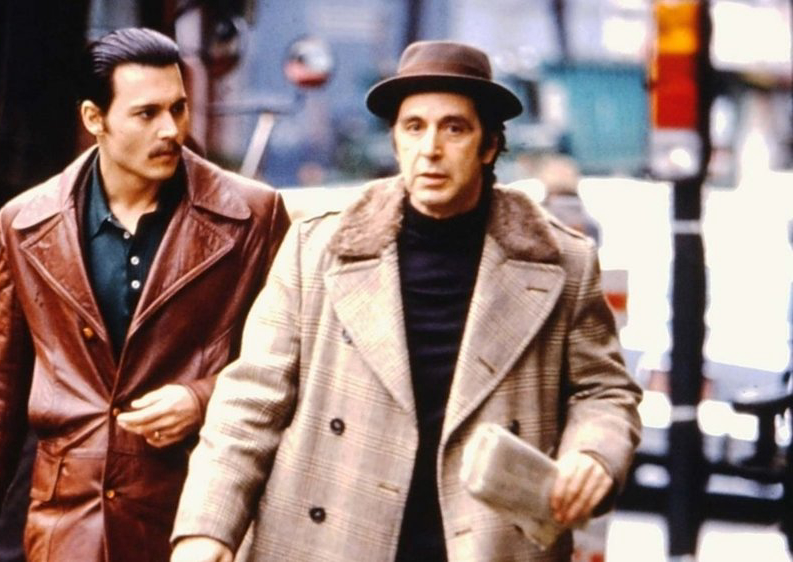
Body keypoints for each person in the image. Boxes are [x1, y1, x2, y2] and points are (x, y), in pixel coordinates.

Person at [169, 41, 642, 561]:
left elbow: (604, 390)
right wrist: (206, 529)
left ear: (489, 145)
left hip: (489, 541)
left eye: (454, 129)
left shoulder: (560, 262)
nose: (431, 148)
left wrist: (592, 454)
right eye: (414, 127)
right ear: (395, 141)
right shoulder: (319, 249)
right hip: (330, 540)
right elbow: (250, 401)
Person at [0, 27, 290, 562]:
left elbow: (290, 364)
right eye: (146, 114)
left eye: (178, 108)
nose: (170, 130)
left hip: (192, 513)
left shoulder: (251, 216)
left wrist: (200, 399)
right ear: (93, 118)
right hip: (67, 523)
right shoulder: (27, 223)